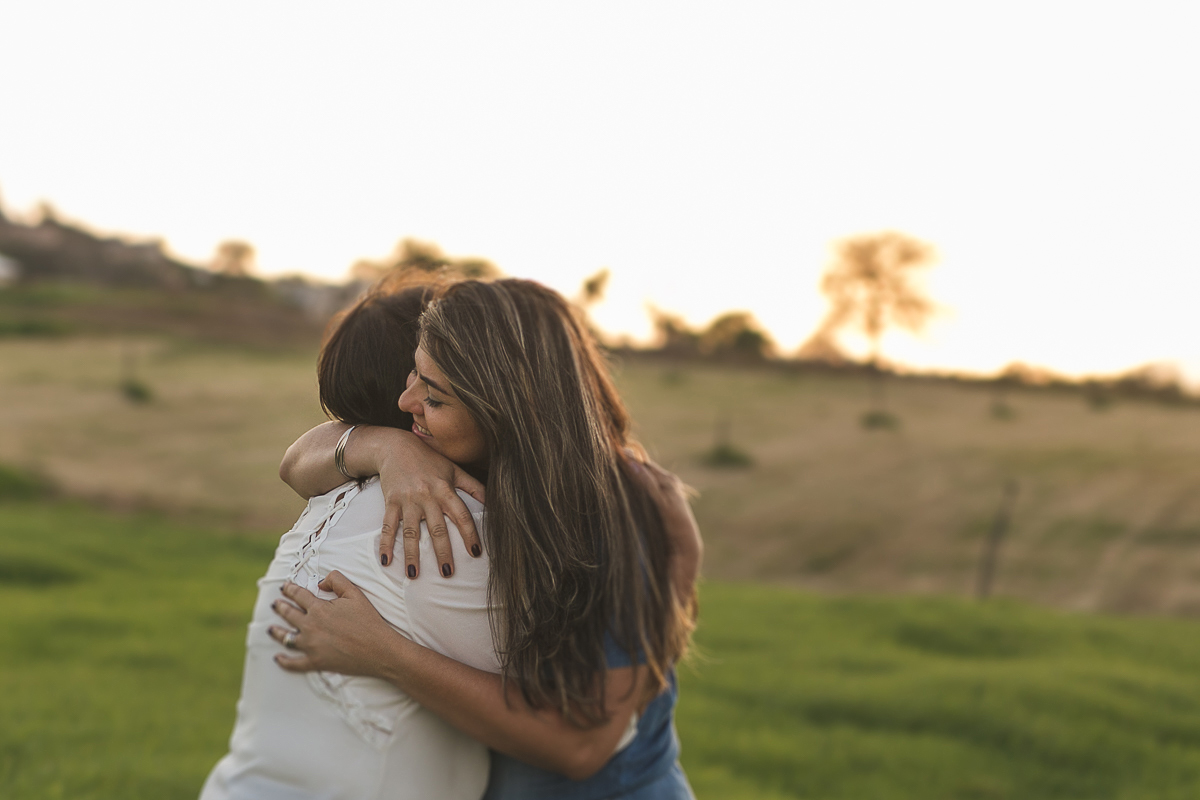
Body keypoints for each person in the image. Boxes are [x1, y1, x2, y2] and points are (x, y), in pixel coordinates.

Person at [271, 278, 702, 799]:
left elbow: (582, 746)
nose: (406, 401)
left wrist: (383, 652)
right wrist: (384, 448)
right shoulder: (474, 465)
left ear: (505, 410)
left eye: (434, 397)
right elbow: (295, 463)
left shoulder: (612, 512)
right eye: (414, 374)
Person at [200, 283, 499, 800]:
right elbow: (562, 722)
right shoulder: (446, 524)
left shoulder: (331, 499)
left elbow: (293, 462)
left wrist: (381, 444)